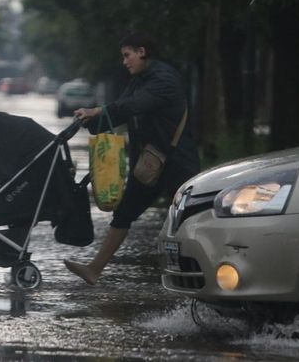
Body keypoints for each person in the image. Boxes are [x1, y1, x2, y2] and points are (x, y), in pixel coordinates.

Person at [64, 32, 200, 285]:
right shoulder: (140, 78)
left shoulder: (164, 79)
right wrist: (93, 121)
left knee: (189, 220)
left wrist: (98, 111)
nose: (125, 62)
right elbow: (121, 108)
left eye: (127, 55)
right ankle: (94, 269)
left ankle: (197, 273)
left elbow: (134, 106)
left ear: (142, 51)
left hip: (176, 162)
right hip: (149, 164)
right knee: (124, 213)